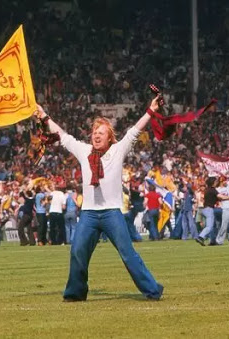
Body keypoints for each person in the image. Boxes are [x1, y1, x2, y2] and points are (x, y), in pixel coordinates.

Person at [34, 96, 163, 302]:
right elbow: (63, 136)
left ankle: (153, 290)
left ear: (110, 137)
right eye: (94, 132)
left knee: (128, 254)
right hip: (89, 214)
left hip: (112, 212)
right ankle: (75, 293)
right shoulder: (84, 151)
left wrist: (150, 110)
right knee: (77, 251)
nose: (96, 135)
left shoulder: (117, 150)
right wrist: (44, 116)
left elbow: (135, 131)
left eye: (101, 132)